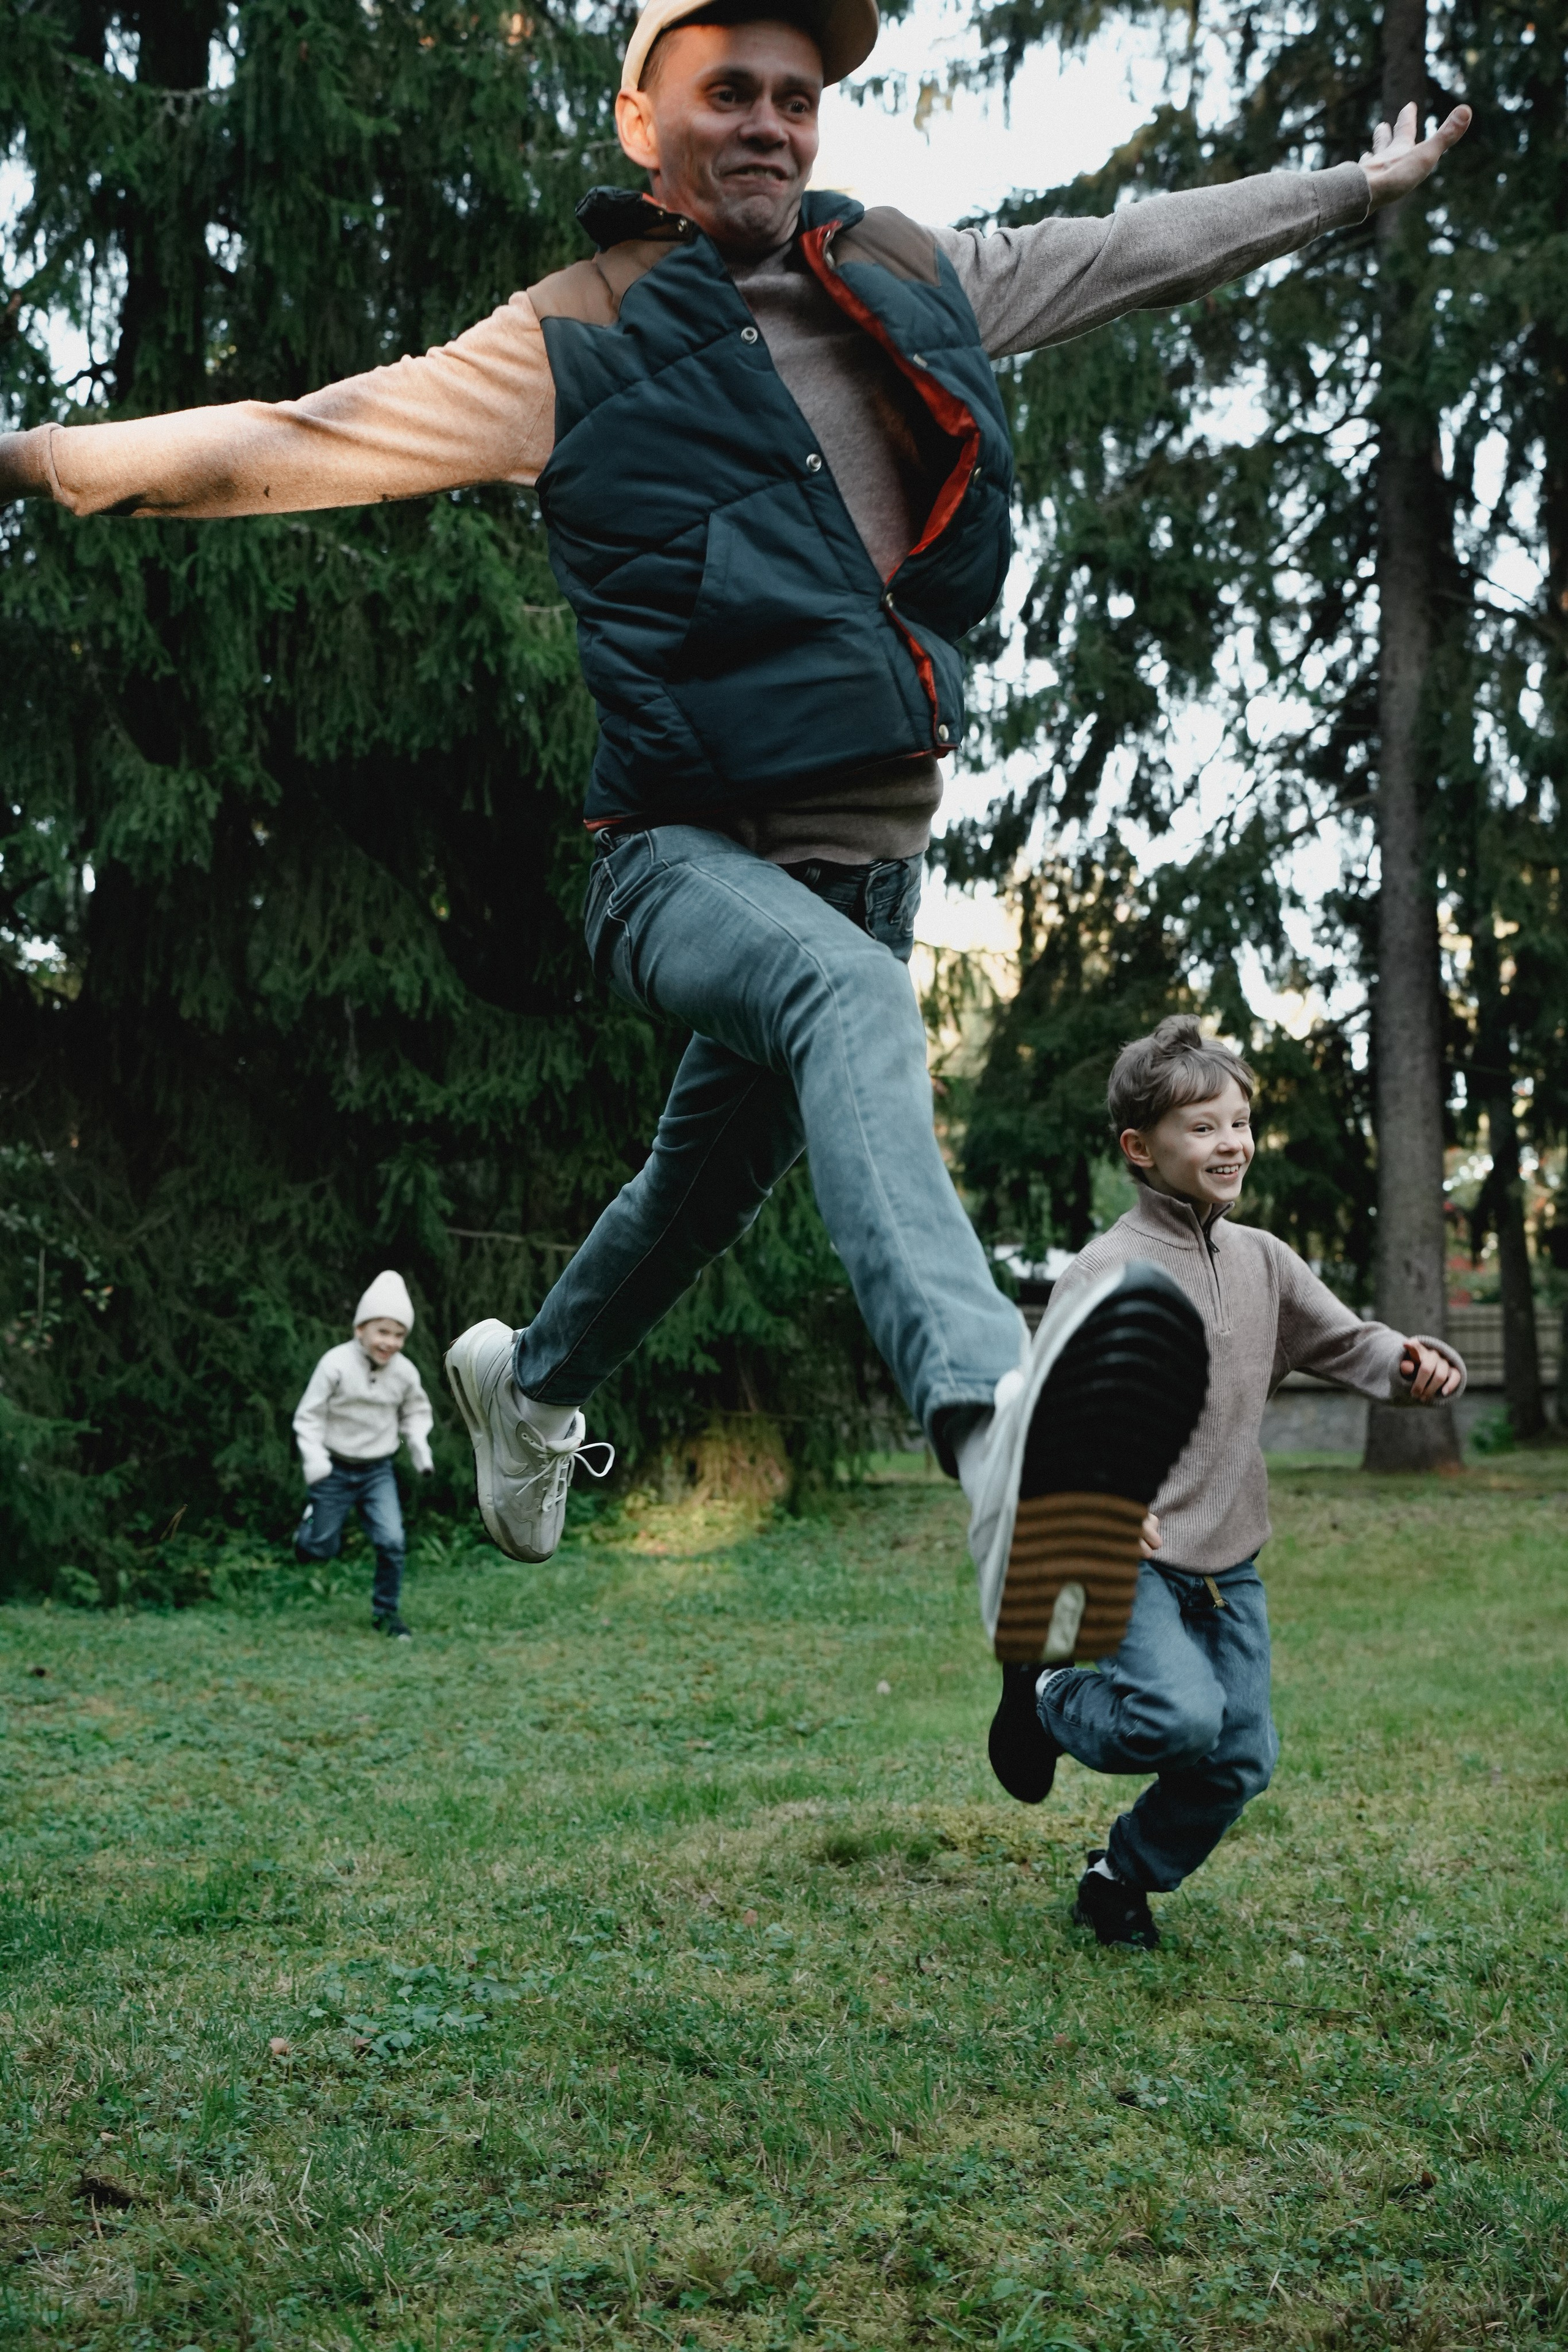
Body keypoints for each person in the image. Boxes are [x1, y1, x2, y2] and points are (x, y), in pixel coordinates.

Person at [0, 0, 1471, 1654]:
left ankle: (529, 1388)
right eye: (727, 93)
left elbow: (1137, 248)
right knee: (851, 1000)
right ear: (645, 121)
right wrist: (37, 455)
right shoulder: (573, 335)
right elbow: (296, 440)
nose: (768, 120)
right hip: (679, 864)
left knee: (694, 1196)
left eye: (795, 95)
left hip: (872, 866)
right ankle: (1000, 1430)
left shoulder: (909, 275)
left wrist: (1352, 185)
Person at [986, 1017, 1467, 1948]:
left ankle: (1117, 1873)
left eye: (1240, 1122)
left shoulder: (1263, 1259)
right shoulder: (1105, 1272)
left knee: (1241, 1752)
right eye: (1203, 1127)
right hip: (1134, 1554)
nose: (1231, 1142)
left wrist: (1411, 1364)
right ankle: (1047, 1691)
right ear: (1140, 1148)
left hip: (1229, 1559)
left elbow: (1345, 1339)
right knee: (1180, 1717)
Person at [292, 1271, 435, 1640]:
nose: (390, 1342)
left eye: (399, 1334)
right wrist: (314, 1458)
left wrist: (418, 1445)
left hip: (377, 1471)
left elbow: (416, 1412)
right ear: (360, 1329)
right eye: (382, 1332)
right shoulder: (335, 1364)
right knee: (322, 1548)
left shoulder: (404, 1373)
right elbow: (309, 1416)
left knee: (392, 1541)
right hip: (334, 1469)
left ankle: (386, 1614)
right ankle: (309, 1531)